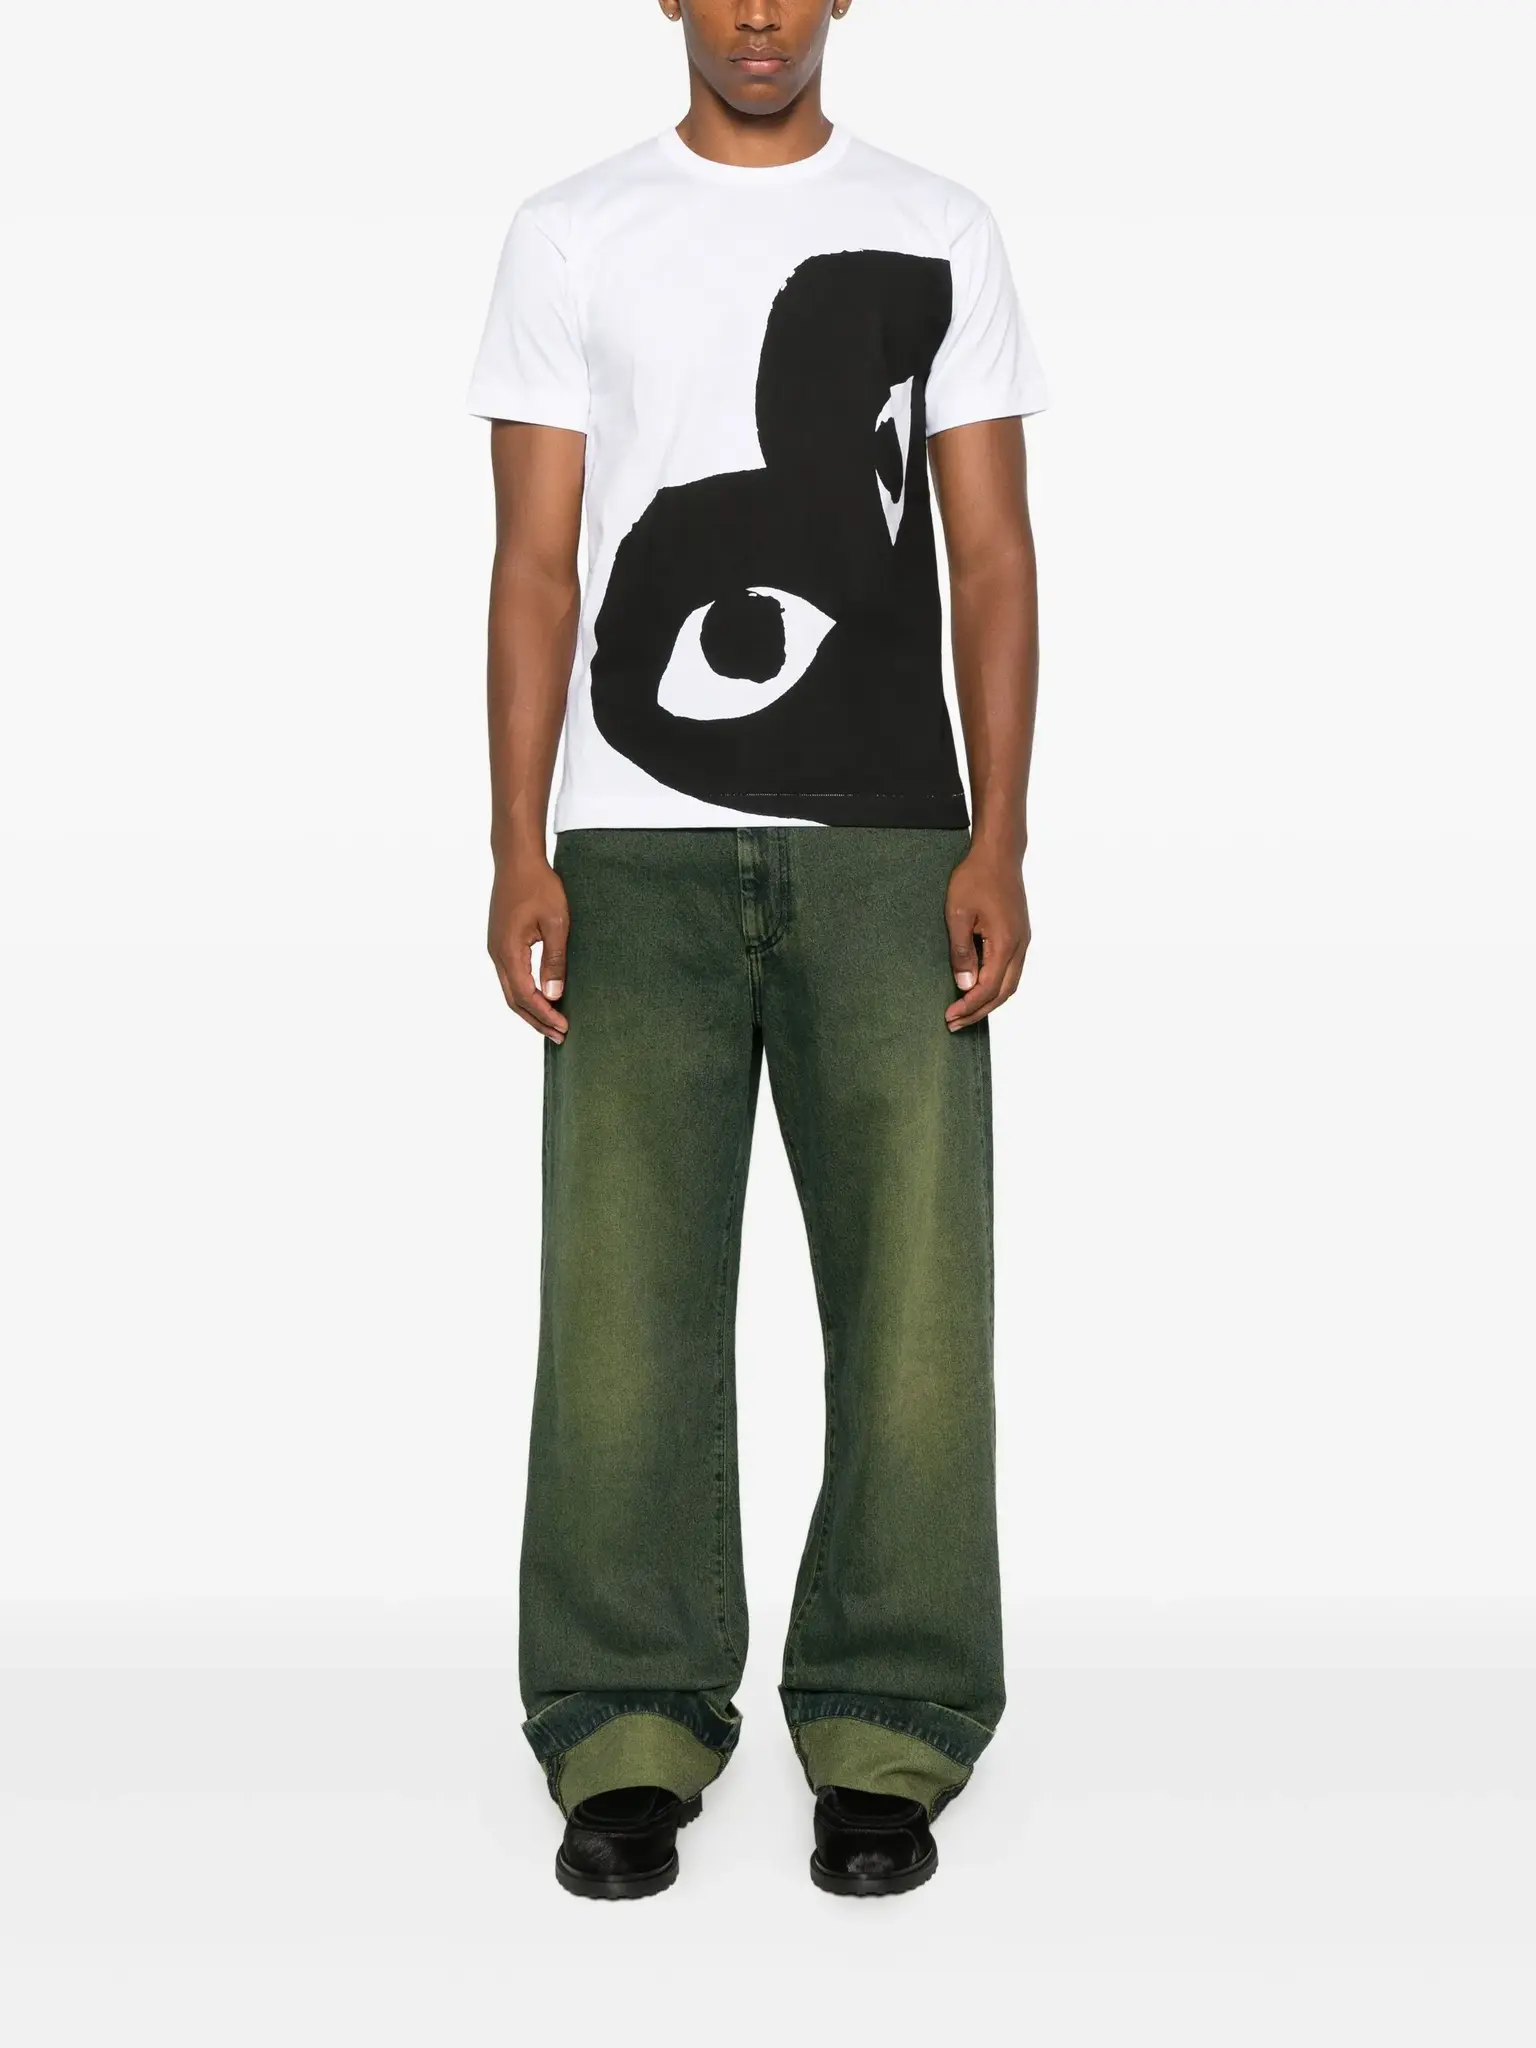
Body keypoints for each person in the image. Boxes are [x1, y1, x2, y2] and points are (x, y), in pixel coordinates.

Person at [467, 0, 1047, 1900]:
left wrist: (998, 835)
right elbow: (537, 561)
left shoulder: (939, 225)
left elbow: (990, 553)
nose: (760, 12)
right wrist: (518, 842)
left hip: (892, 850)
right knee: (619, 1293)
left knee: (915, 1296)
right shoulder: (573, 230)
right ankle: (623, 1722)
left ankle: (892, 1717)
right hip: (629, 851)